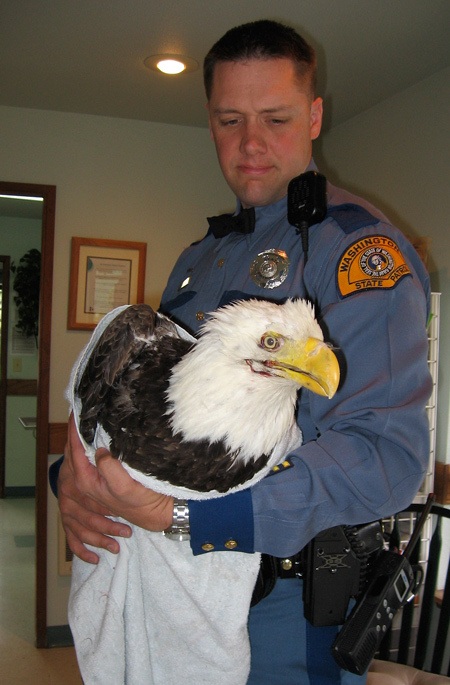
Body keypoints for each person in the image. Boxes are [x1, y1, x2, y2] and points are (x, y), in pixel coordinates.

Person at [54, 19, 432, 684]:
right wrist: (73, 482)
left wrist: (185, 516)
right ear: (209, 121)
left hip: (286, 613)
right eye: (230, 119)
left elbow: (387, 457)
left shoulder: (359, 255)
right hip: (174, 591)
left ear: (315, 116)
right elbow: (148, 414)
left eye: (276, 117)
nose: (251, 143)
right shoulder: (201, 259)